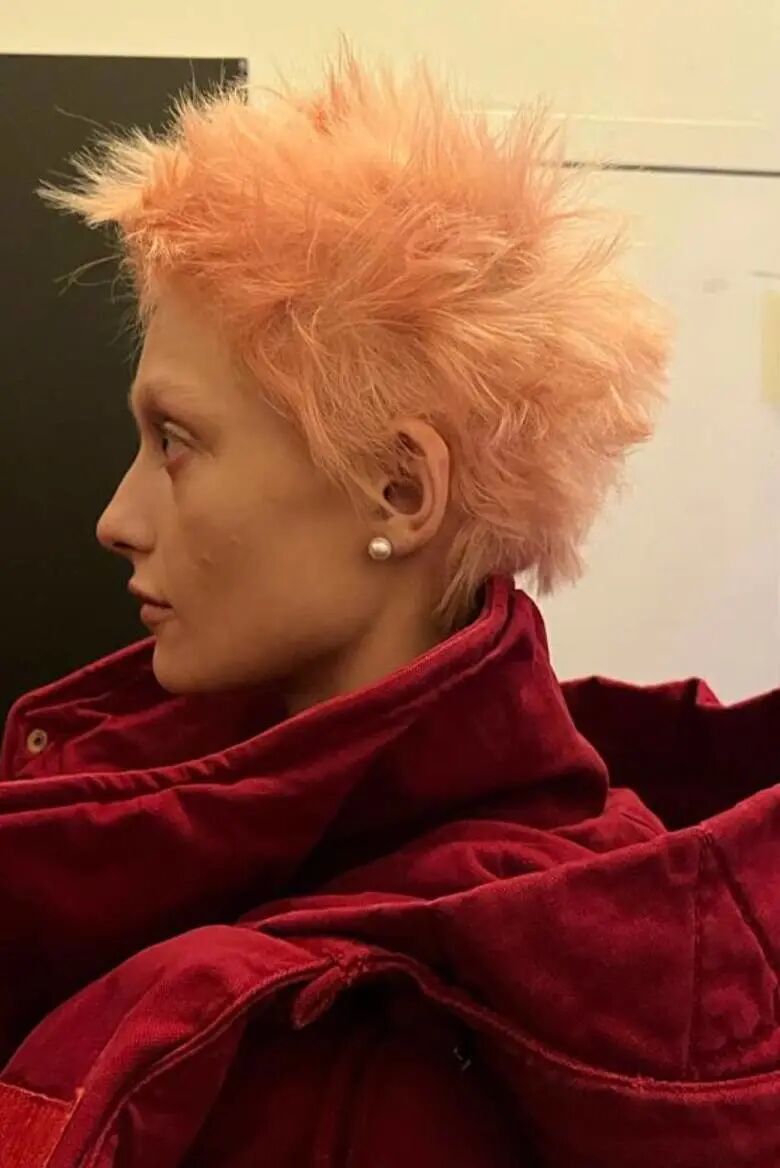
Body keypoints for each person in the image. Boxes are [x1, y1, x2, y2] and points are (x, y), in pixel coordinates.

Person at [0, 51, 778, 1168]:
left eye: (176, 441)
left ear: (401, 492)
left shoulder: (378, 1051)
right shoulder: (255, 841)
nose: (117, 518)